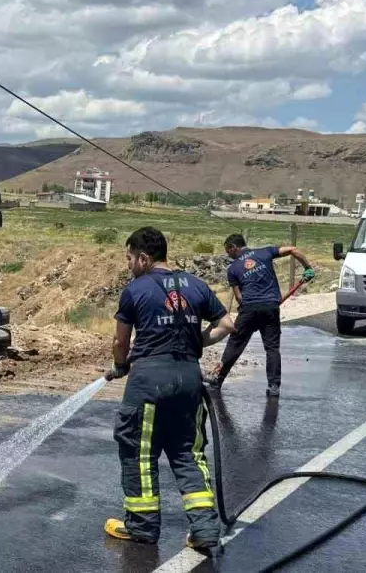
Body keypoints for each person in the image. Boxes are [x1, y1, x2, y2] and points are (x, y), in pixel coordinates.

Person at [104, 227, 236, 550]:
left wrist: (120, 365)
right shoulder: (195, 284)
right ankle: (205, 529)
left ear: (144, 258)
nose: (129, 265)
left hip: (149, 383)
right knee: (187, 453)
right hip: (189, 380)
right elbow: (227, 324)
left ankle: (143, 527)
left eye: (130, 259)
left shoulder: (135, 290)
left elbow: (121, 342)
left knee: (138, 451)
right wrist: (196, 343)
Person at [204, 234, 314, 397]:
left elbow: (239, 296)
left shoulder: (233, 269)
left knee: (235, 345)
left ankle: (218, 381)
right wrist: (307, 267)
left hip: (249, 309)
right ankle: (274, 386)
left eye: (228, 251)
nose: (228, 255)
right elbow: (293, 250)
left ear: (234, 247)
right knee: (272, 348)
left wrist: (246, 311)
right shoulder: (265, 252)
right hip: (270, 307)